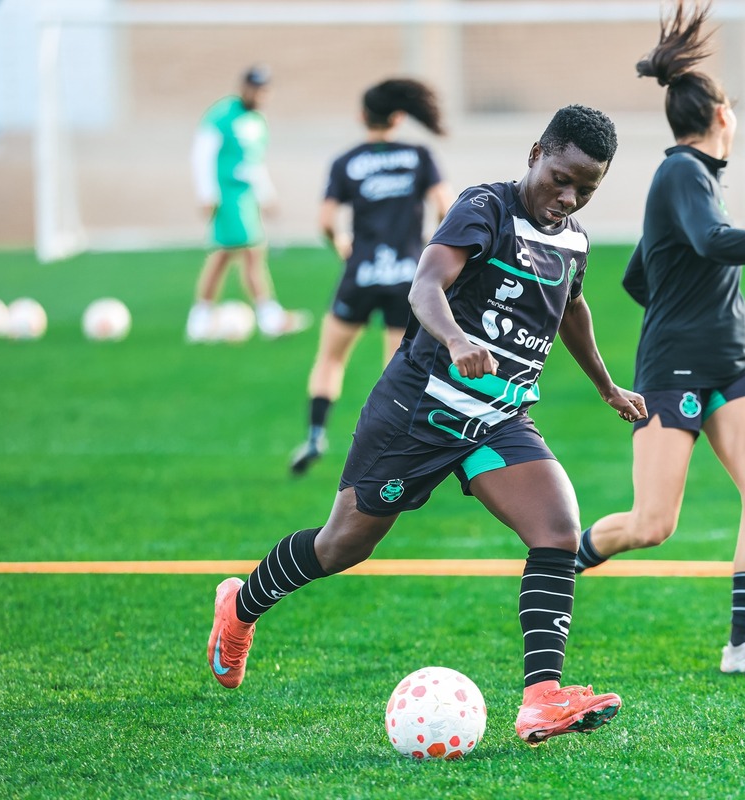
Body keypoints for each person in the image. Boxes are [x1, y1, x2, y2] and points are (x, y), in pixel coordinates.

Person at [207, 104, 647, 745]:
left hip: (498, 420)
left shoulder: (573, 240)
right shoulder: (485, 210)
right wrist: (456, 337)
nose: (568, 196)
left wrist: (607, 384)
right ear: (535, 153)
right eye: (560, 177)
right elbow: (425, 287)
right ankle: (240, 607)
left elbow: (570, 306)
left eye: (586, 187)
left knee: (556, 531)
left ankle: (541, 700)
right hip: (418, 414)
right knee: (341, 547)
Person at [571, 1, 745, 678]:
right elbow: (711, 244)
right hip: (677, 368)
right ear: (723, 117)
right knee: (652, 525)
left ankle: (742, 649)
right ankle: (561, 559)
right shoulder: (682, 172)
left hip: (732, 362)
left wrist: (721, 307)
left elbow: (642, 274)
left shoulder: (698, 181)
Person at [291, 79, 453, 475]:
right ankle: (391, 447)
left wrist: (342, 245)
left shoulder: (346, 161)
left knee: (330, 358)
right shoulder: (419, 156)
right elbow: (446, 208)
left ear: (363, 116)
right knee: (394, 369)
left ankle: (315, 435)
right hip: (406, 276)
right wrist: (429, 253)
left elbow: (326, 221)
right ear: (399, 117)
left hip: (360, 272)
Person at [188, 66, 311, 342]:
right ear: (244, 87)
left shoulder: (258, 121)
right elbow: (202, 155)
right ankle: (267, 316)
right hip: (226, 193)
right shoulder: (222, 115)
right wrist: (206, 194)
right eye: (255, 88)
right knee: (249, 252)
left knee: (228, 255)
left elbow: (254, 162)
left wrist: (265, 194)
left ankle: (202, 318)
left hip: (245, 196)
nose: (260, 94)